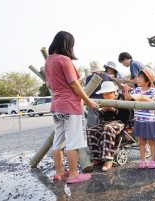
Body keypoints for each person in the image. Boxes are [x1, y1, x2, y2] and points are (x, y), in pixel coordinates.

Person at [45, 31, 98, 184]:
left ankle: (59, 171)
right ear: (68, 45)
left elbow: (49, 84)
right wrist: (88, 101)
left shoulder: (48, 61)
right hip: (70, 105)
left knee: (59, 141)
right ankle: (74, 174)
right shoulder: (64, 60)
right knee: (73, 141)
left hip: (56, 105)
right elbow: (74, 83)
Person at [86, 81, 130, 172]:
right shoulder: (103, 101)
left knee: (108, 128)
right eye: (103, 94)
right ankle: (97, 157)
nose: (103, 96)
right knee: (91, 130)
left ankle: (108, 160)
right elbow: (103, 117)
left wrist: (112, 110)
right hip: (107, 122)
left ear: (113, 93)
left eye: (105, 94)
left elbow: (126, 117)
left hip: (119, 122)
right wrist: (102, 111)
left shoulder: (121, 99)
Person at [123, 68, 155, 169]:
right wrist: (126, 91)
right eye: (138, 77)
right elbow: (127, 99)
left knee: (151, 141)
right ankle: (143, 161)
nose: (138, 79)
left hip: (149, 120)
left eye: (140, 77)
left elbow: (154, 102)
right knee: (142, 141)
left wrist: (143, 98)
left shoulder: (152, 90)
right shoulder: (137, 90)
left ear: (148, 80)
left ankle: (153, 160)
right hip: (138, 119)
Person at [86, 60, 112, 127]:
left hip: (93, 102)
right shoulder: (108, 77)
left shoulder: (89, 78)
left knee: (92, 125)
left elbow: (87, 92)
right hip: (107, 102)